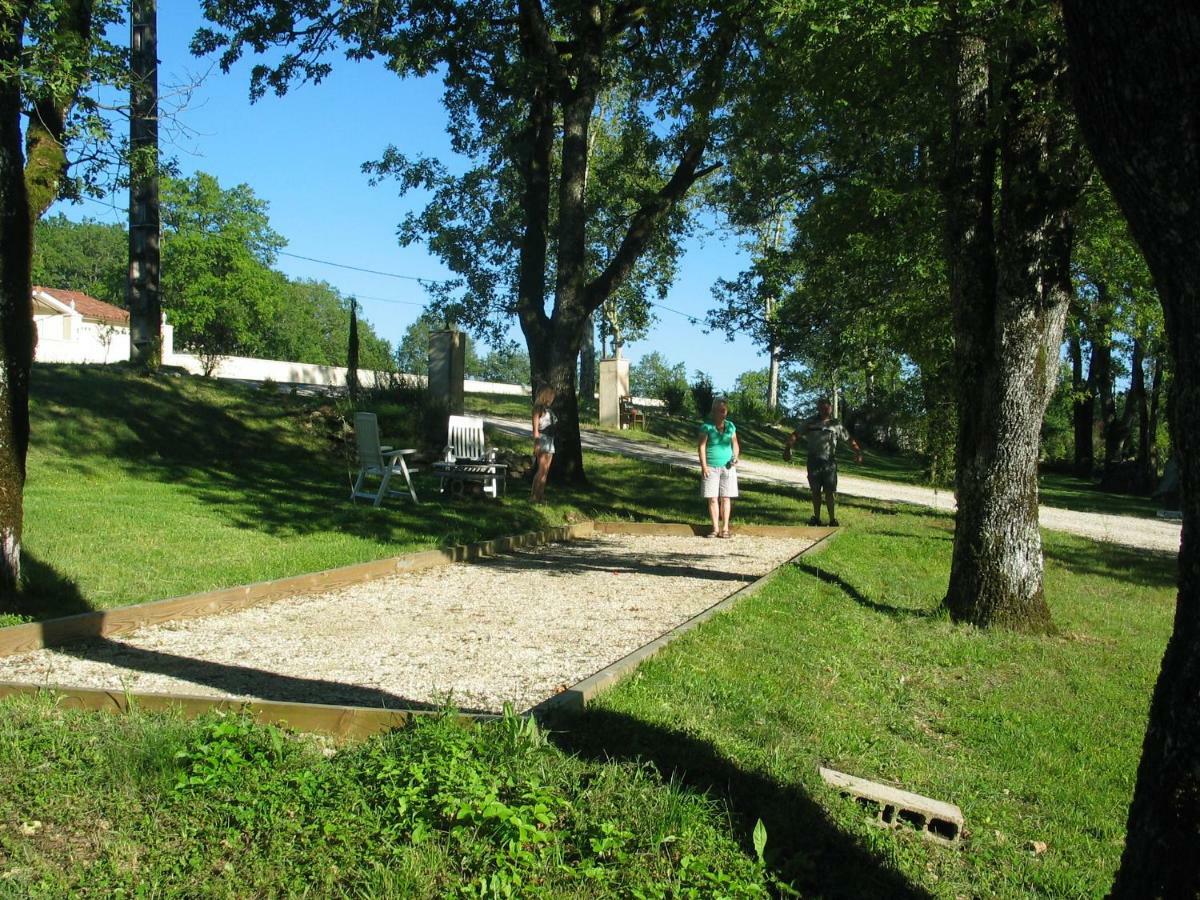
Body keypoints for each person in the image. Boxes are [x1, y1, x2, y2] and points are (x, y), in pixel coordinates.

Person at [783, 397, 862, 527]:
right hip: (813, 460)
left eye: (827, 407)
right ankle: (816, 518)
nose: (825, 410)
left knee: (830, 491)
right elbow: (795, 435)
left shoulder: (836, 424)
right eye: (822, 407)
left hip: (829, 462)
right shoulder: (810, 422)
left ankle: (832, 519)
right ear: (818, 408)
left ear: (831, 408)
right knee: (815, 491)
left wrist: (858, 452)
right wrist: (787, 448)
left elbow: (849, 440)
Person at [697, 397, 741, 538]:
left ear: (726, 412)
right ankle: (715, 528)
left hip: (727, 466)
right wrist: (704, 466)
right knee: (713, 498)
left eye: (723, 411)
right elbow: (701, 446)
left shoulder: (730, 426)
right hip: (711, 466)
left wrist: (735, 456)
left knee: (726, 497)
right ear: (713, 411)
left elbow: (735, 444)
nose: (721, 413)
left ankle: (725, 528)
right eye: (718, 411)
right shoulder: (706, 427)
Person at [531, 386, 556, 502]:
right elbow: (535, 429)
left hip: (551, 440)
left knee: (546, 471)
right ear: (546, 395)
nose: (553, 398)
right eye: (551, 396)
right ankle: (533, 496)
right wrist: (536, 443)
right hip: (542, 439)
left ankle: (540, 496)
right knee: (541, 470)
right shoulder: (538, 409)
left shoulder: (549, 410)